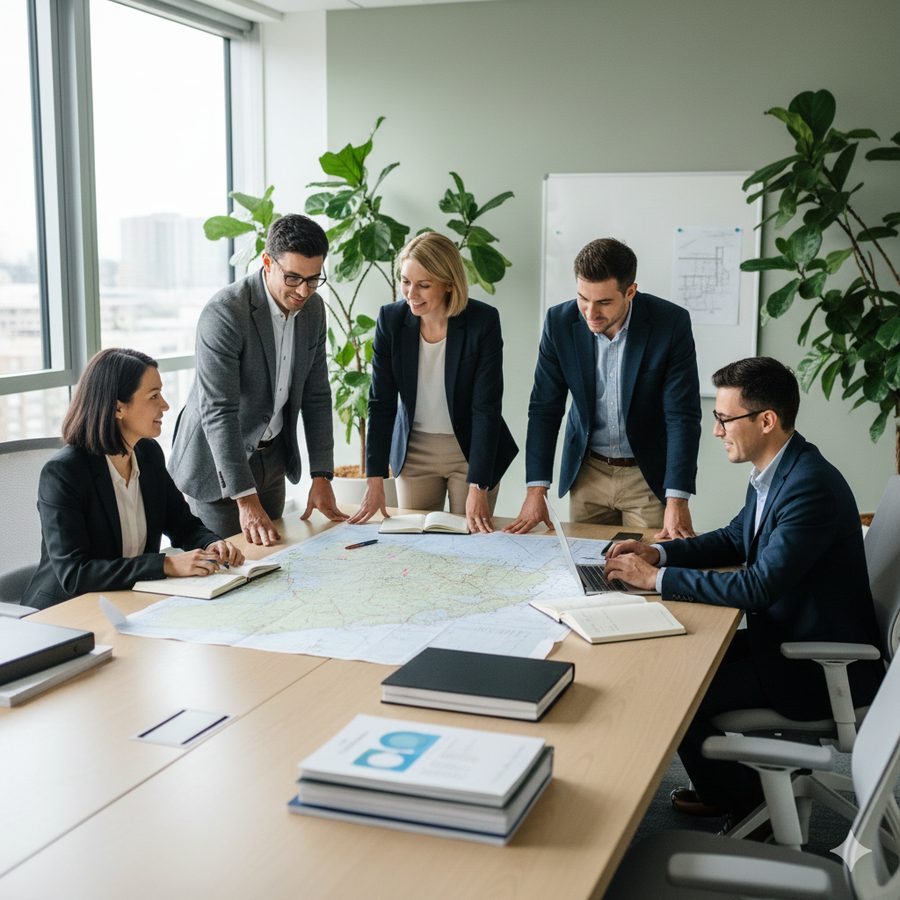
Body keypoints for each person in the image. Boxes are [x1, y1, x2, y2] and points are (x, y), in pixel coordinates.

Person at [604, 356, 884, 827]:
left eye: (723, 418)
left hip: (812, 666)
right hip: (783, 637)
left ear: (766, 421)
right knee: (679, 662)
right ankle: (727, 788)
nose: (716, 431)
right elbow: (737, 537)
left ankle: (745, 801)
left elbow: (757, 586)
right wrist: (660, 555)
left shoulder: (807, 487)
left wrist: (655, 582)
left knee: (676, 694)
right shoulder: (779, 470)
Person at [505, 237, 701, 538]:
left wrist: (678, 499)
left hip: (646, 475)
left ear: (631, 292)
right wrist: (536, 490)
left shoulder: (670, 324)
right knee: (585, 569)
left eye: (604, 302)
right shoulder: (559, 322)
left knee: (643, 570)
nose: (590, 312)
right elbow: (545, 408)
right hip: (588, 472)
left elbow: (682, 415)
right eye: (583, 298)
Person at [169, 214, 347, 546]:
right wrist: (245, 499)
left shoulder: (314, 309)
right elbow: (218, 412)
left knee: (274, 563)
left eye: (313, 279)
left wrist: (321, 475)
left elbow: (317, 395)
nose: (303, 290)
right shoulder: (225, 313)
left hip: (272, 461)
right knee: (228, 571)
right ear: (267, 262)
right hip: (217, 466)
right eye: (293, 277)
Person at [24, 349, 243, 610]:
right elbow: (75, 573)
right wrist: (166, 564)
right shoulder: (64, 473)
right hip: (66, 612)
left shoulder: (148, 454)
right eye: (154, 396)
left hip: (127, 601)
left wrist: (210, 543)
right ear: (118, 407)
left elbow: (182, 524)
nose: (165, 405)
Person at [347, 232, 518, 533]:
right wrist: (374, 479)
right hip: (415, 453)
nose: (411, 293)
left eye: (424, 285)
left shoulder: (482, 322)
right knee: (415, 545)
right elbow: (380, 402)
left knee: (471, 545)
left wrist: (479, 485)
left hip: (470, 450)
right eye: (405, 281)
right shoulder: (390, 320)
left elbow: (486, 408)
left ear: (449, 283)